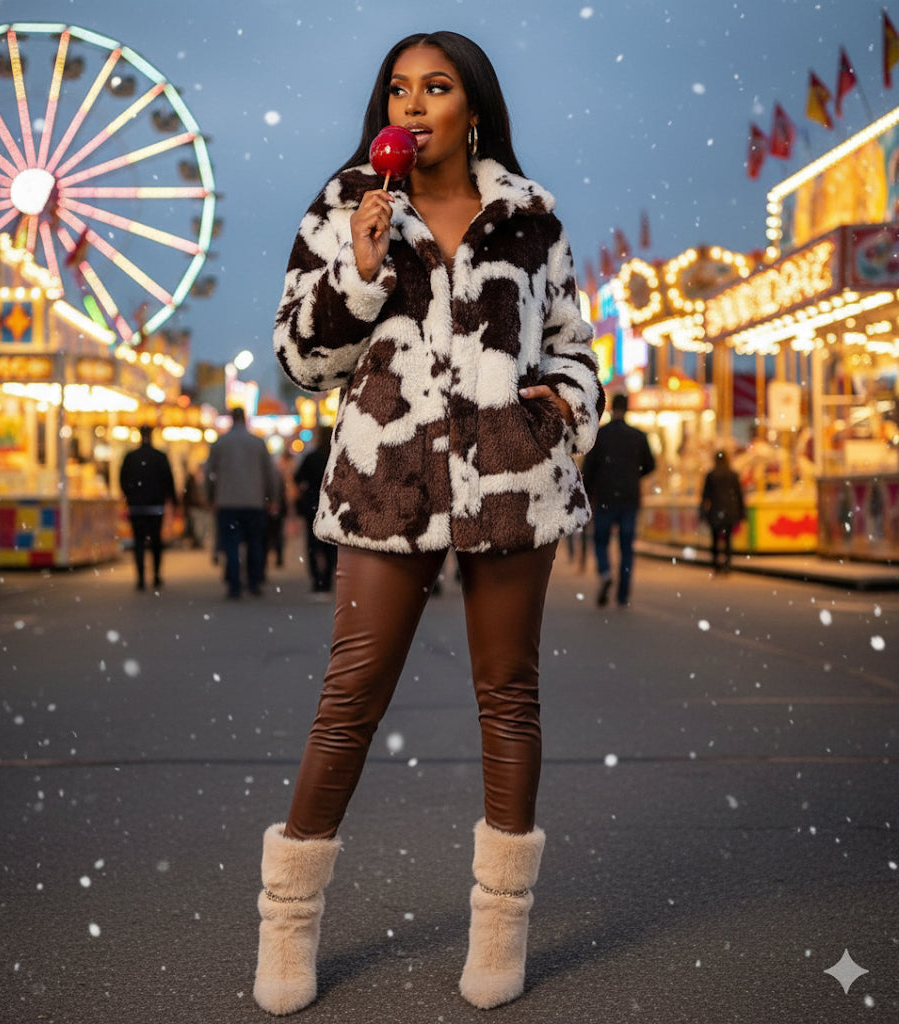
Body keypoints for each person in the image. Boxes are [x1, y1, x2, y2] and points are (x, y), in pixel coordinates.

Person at [255, 31, 604, 1016]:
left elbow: (576, 344)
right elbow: (298, 358)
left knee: (510, 696)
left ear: (473, 109)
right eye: (398, 89)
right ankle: (287, 922)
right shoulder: (342, 209)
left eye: (436, 87)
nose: (414, 104)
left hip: (508, 480)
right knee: (350, 696)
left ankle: (500, 921)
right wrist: (359, 271)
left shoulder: (530, 219)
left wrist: (566, 408)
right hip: (386, 483)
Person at [582, 392, 655, 608]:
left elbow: (589, 470)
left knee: (601, 541)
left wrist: (587, 493)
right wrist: (633, 475)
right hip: (629, 498)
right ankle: (623, 595)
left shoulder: (600, 435)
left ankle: (605, 572)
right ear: (628, 409)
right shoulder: (638, 436)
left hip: (605, 498)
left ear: (612, 408)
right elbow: (651, 465)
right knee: (626, 546)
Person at [204, 406, 275, 598]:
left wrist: (210, 497)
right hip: (254, 502)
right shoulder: (258, 443)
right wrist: (271, 498)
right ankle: (253, 582)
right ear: (245, 419)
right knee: (254, 543)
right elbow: (270, 474)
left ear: (230, 420)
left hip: (227, 502)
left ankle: (234, 585)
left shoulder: (220, 443)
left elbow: (209, 474)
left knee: (231, 544)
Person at [119, 425, 177, 591]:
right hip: (155, 505)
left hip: (136, 506)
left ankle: (140, 577)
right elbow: (168, 480)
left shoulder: (130, 457)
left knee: (138, 541)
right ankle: (156, 575)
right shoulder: (160, 457)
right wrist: (172, 499)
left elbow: (122, 479)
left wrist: (129, 496)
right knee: (156, 541)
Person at [293, 426, 337, 595]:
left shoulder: (311, 457)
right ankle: (327, 578)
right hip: (332, 505)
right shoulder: (336, 457)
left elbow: (298, 477)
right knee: (331, 545)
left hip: (313, 504)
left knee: (312, 542)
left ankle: (316, 578)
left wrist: (307, 489)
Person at [701, 449, 745, 573]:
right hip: (730, 510)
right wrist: (742, 512)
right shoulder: (733, 474)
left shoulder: (711, 475)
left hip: (715, 510)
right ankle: (727, 563)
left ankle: (715, 563)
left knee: (715, 538)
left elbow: (705, 495)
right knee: (728, 538)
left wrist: (703, 512)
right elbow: (739, 494)